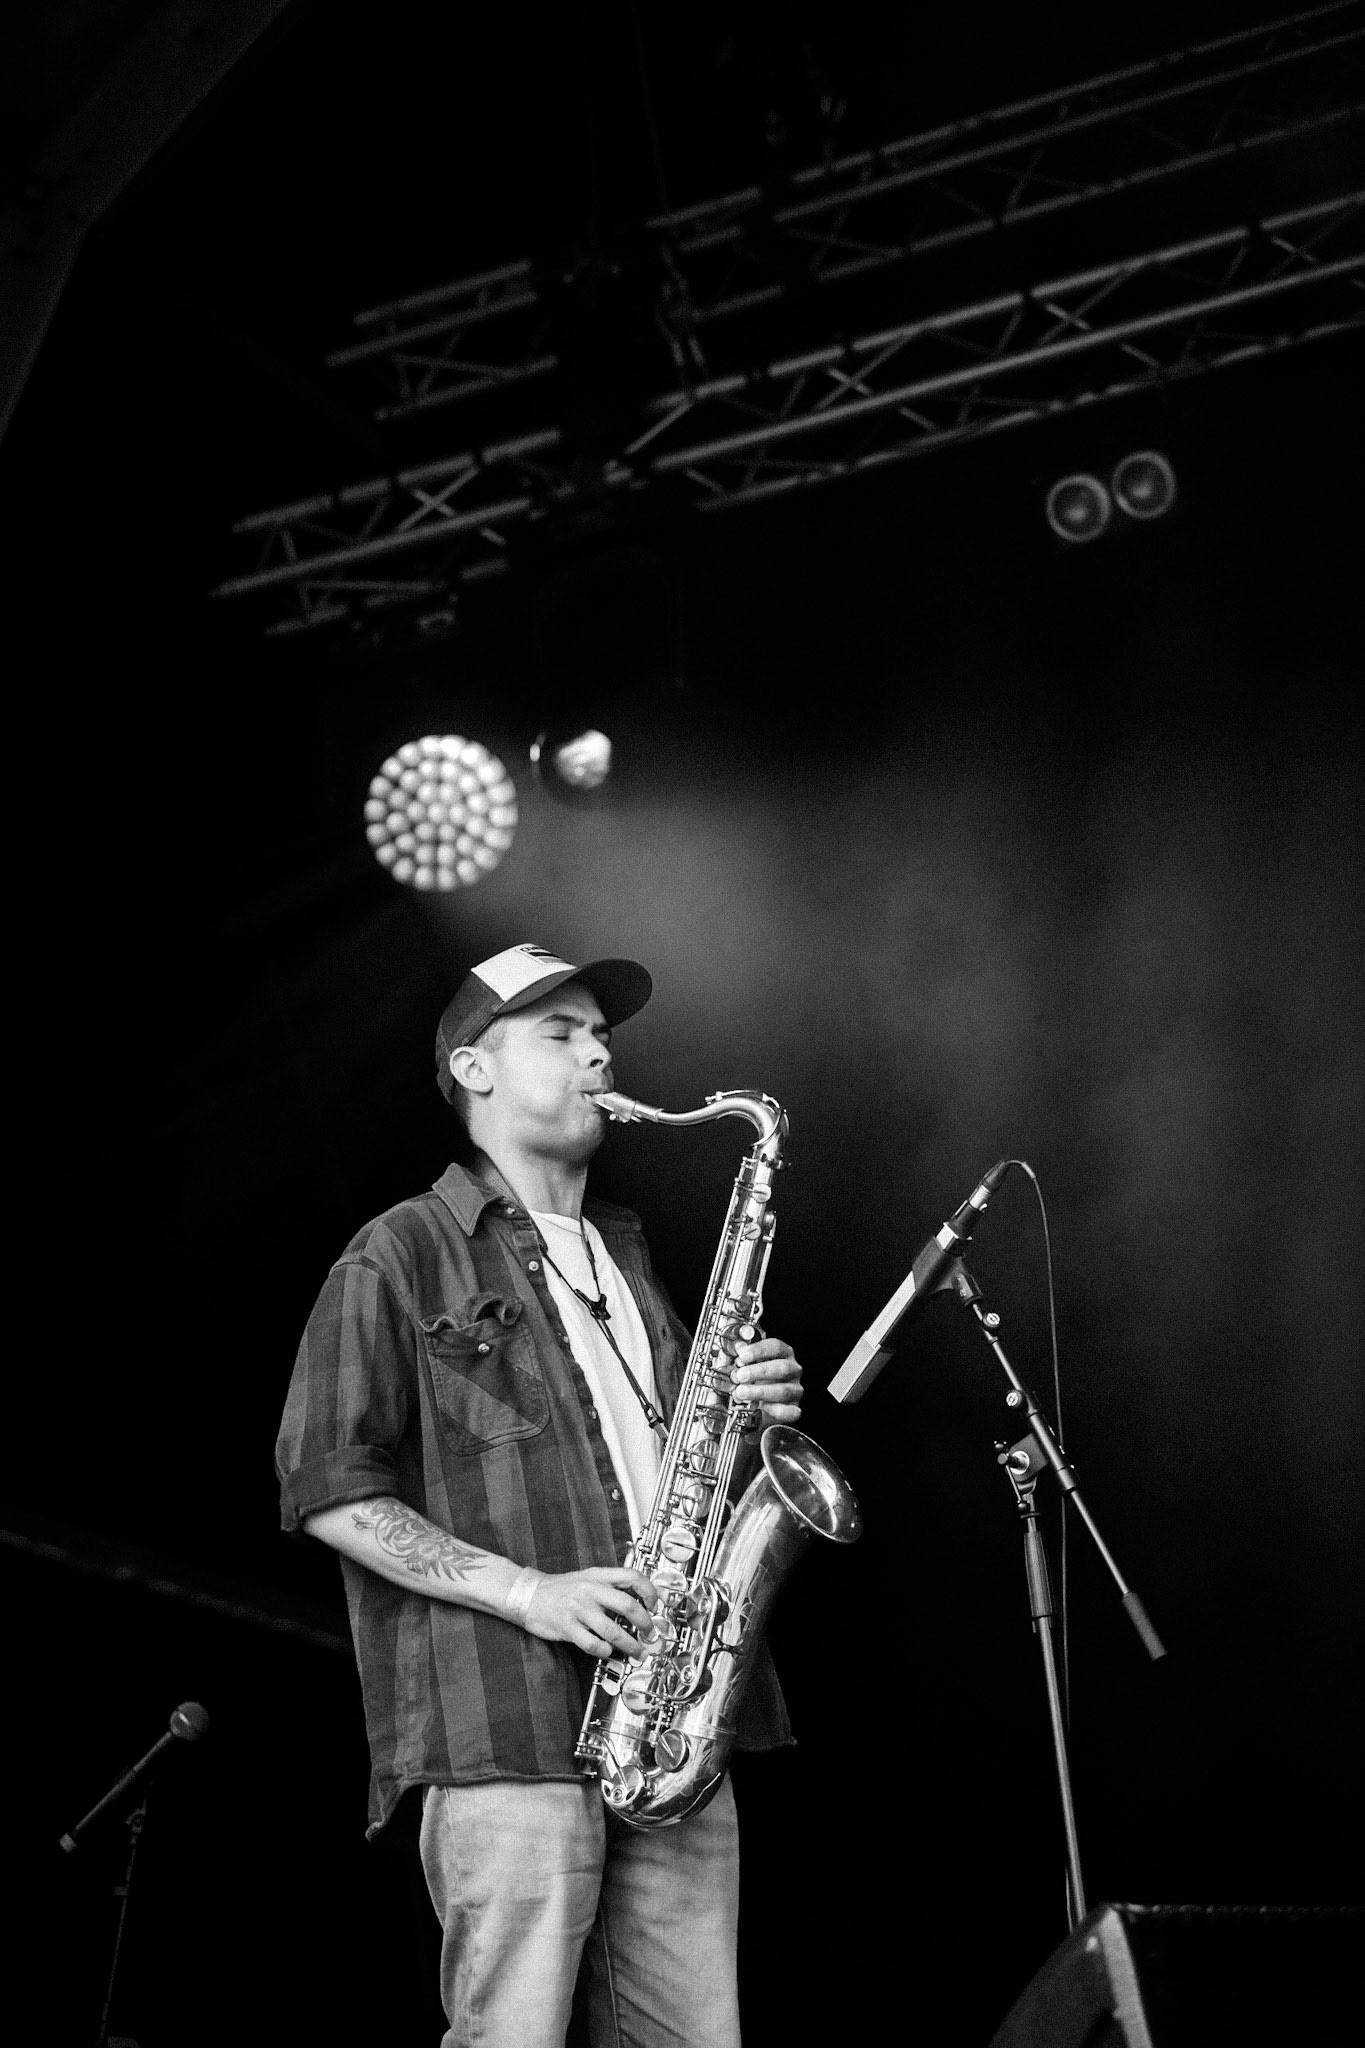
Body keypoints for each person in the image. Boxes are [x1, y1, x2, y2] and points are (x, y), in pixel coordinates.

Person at [275, 940, 805, 2048]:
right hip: (506, 1722)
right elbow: (326, 1483)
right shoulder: (398, 1254)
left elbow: (677, 1473)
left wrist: (753, 1412)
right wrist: (530, 1592)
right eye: (559, 1031)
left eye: (600, 1032)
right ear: (473, 1068)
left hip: (673, 1723)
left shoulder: (625, 1252)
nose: (598, 1049)